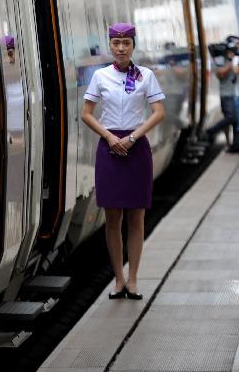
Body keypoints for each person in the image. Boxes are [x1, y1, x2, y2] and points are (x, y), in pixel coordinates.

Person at [81, 23, 166, 300]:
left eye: (126, 43)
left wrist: (132, 137)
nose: (120, 48)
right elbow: (87, 114)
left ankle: (133, 279)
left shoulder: (146, 76)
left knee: (137, 217)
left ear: (133, 45)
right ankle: (118, 278)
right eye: (116, 43)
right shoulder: (100, 76)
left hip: (136, 148)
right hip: (109, 149)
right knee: (112, 218)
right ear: (110, 45)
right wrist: (108, 137)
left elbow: (158, 112)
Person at [205, 36, 239, 151]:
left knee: (235, 121)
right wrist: (231, 62)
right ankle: (211, 131)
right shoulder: (221, 58)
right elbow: (220, 74)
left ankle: (234, 145)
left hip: (234, 93)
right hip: (227, 94)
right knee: (231, 117)